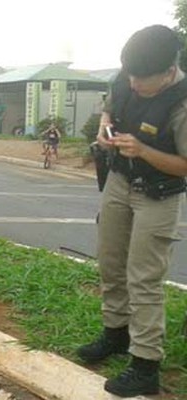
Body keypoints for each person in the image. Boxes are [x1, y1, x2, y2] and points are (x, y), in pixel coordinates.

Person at [77, 25, 187, 398]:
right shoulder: (128, 75)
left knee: (144, 277)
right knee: (110, 262)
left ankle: (145, 364)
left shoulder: (182, 103)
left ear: (170, 71)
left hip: (159, 193)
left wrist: (143, 150)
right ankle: (116, 333)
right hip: (119, 182)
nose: (135, 84)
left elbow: (185, 164)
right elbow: (112, 102)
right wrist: (106, 125)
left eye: (144, 79)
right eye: (131, 76)